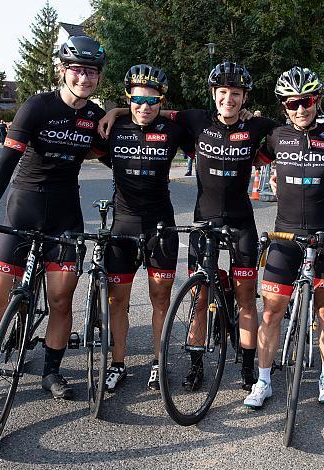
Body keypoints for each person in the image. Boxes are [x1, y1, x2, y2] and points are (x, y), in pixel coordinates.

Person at [99, 60, 324, 391]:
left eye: (235, 94)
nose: (228, 100)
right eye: (222, 93)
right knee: (200, 297)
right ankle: (196, 363)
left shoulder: (261, 127)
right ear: (214, 95)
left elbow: (299, 122)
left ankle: (248, 367)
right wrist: (116, 111)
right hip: (205, 222)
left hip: (241, 222)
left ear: (244, 98)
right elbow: (151, 108)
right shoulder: (194, 120)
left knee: (247, 298)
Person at [0, 35, 108, 413]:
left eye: (91, 71)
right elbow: (6, 162)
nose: (84, 77)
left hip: (65, 214)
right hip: (22, 207)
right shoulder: (36, 107)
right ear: (63, 70)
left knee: (62, 300)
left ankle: (51, 371)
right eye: (77, 69)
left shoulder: (95, 117)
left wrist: (122, 112)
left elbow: (119, 152)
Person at [243, 67, 324, 408]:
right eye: (292, 103)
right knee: (271, 312)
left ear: (317, 100)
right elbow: (247, 150)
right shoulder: (277, 136)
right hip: (286, 236)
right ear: (283, 106)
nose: (300, 109)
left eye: (307, 101)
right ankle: (263, 381)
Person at [98, 64, 195, 392]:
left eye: (153, 101)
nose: (144, 106)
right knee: (118, 300)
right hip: (123, 225)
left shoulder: (173, 129)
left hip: (160, 227)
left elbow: (202, 115)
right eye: (137, 99)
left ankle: (158, 361)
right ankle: (118, 363)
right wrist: (117, 110)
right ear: (128, 97)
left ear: (162, 102)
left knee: (160, 300)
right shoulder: (115, 127)